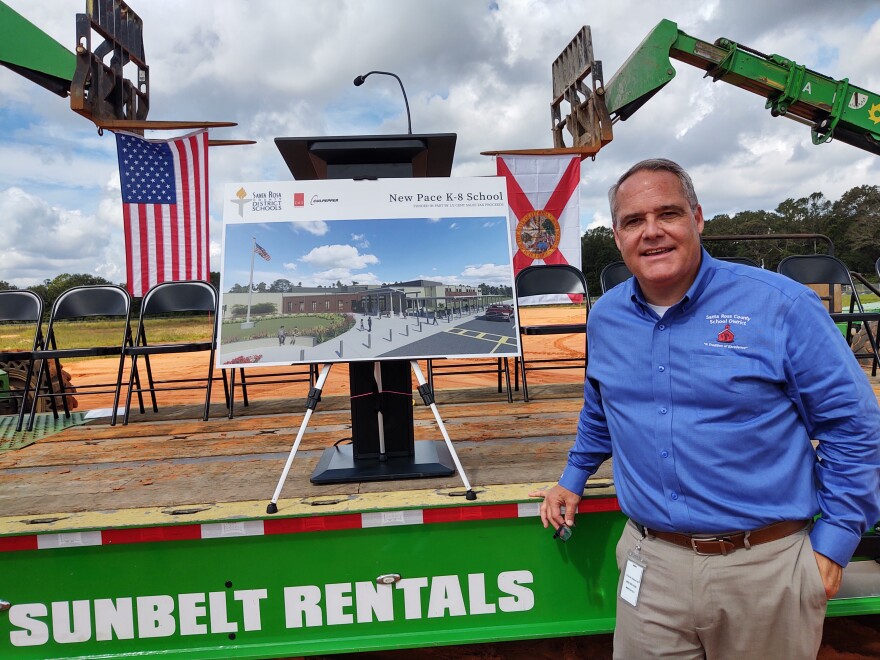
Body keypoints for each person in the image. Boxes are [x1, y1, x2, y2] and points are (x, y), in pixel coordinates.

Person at [531, 158, 880, 659]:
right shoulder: (605, 316)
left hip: (762, 567)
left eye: (667, 214)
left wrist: (836, 539)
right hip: (651, 564)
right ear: (617, 234)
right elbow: (601, 408)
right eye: (633, 221)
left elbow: (854, 427)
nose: (651, 232)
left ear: (697, 219)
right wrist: (572, 477)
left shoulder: (780, 305)